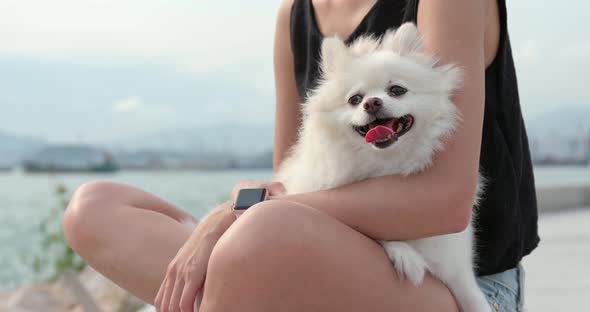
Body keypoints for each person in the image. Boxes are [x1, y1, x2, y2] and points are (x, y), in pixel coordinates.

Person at [63, 0, 539, 311]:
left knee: (260, 232)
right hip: (325, 261)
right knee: (95, 209)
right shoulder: (294, 14)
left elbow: (444, 205)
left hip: (455, 288)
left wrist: (236, 217)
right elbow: (289, 181)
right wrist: (242, 214)